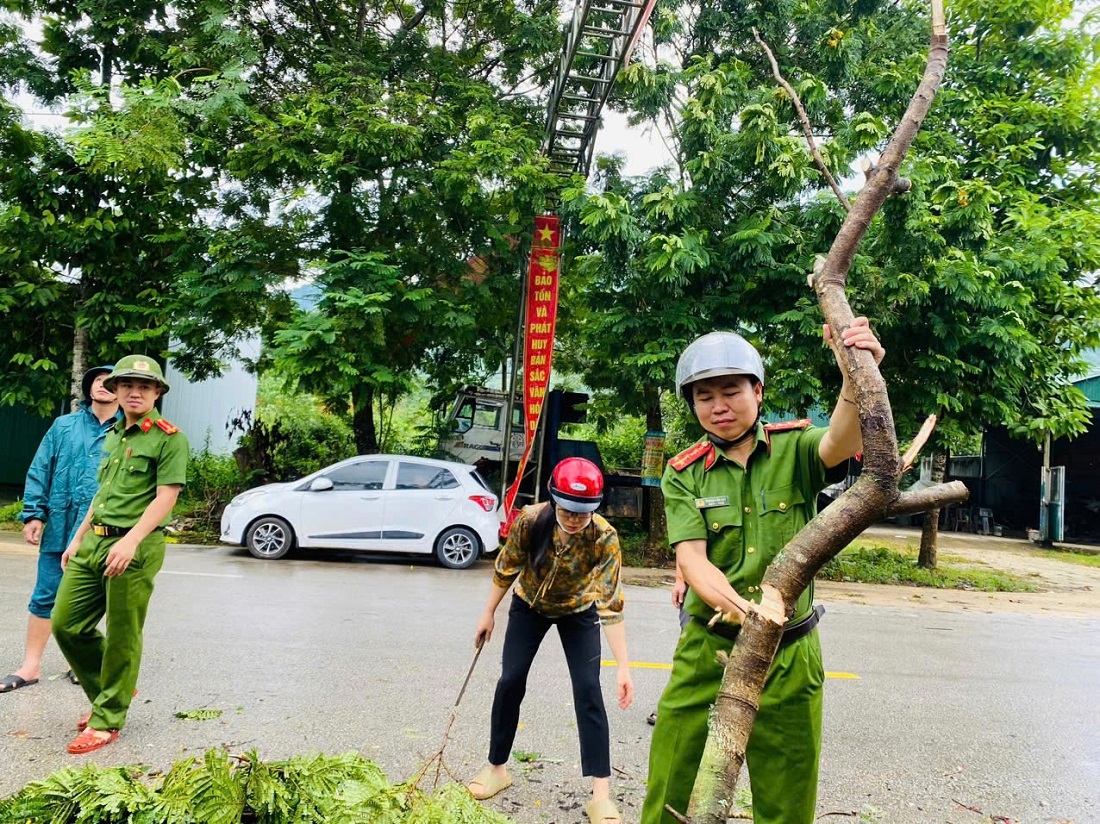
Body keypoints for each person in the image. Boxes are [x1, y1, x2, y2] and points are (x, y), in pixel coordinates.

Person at [641, 318, 884, 824]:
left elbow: (840, 442)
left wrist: (853, 376)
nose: (718, 406)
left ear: (758, 390)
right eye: (704, 397)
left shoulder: (795, 449)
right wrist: (746, 614)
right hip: (708, 650)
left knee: (788, 798)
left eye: (731, 391)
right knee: (671, 781)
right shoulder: (683, 471)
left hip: (791, 655)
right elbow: (692, 559)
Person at [467, 457, 634, 824]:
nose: (575, 519)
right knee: (510, 681)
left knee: (589, 689)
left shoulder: (604, 537)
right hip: (529, 606)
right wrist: (488, 613)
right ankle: (497, 767)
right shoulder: (531, 520)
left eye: (583, 512)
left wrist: (623, 667)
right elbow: (506, 568)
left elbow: (611, 603)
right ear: (554, 498)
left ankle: (601, 794)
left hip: (579, 611)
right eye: (568, 510)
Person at [51, 355, 188, 755]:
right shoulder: (114, 433)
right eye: (127, 385)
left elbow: (167, 497)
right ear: (115, 390)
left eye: (145, 386)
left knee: (123, 634)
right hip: (95, 540)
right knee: (66, 624)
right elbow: (103, 492)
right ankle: (115, 689)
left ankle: (107, 716)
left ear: (157, 392)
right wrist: (78, 537)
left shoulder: (168, 437)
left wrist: (130, 541)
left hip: (135, 544)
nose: (135, 392)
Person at [1, 366, 119, 694]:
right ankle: (30, 665)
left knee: (90, 597)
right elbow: (40, 468)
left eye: (111, 382)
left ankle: (78, 663)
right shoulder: (63, 426)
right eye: (97, 380)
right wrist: (33, 514)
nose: (103, 386)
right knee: (45, 594)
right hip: (60, 524)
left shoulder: (128, 430)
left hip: (101, 530)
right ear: (88, 387)